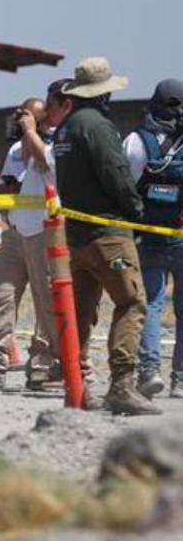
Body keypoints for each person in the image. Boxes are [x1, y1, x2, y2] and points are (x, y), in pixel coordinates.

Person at [54, 57, 157, 415]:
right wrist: (137, 212)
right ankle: (122, 386)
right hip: (108, 234)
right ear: (101, 94)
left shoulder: (65, 129)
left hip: (76, 237)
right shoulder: (98, 126)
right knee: (131, 302)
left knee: (81, 313)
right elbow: (116, 174)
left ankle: (77, 386)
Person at [0, 86, 67, 390]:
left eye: (27, 116)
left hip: (45, 233)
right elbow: (14, 184)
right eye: (20, 116)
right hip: (16, 230)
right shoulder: (16, 150)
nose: (21, 121)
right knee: (0, 297)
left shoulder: (54, 144)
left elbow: (46, 165)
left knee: (46, 303)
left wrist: (32, 132)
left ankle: (45, 366)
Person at [124, 77, 183, 399]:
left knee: (152, 304)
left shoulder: (136, 140)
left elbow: (124, 187)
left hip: (148, 236)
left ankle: (149, 371)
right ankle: (181, 379)